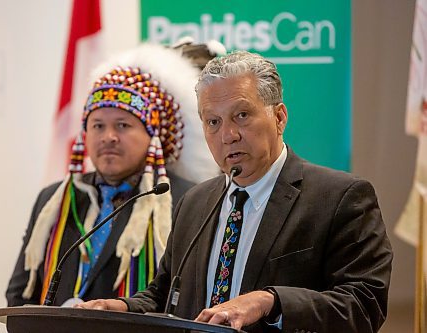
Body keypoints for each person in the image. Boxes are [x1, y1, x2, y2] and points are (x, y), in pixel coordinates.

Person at [75, 51, 393, 333]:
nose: (227, 135)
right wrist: (124, 308)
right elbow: (166, 295)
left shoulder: (340, 197)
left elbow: (365, 306)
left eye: (242, 116)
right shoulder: (195, 203)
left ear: (279, 117)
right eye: (213, 122)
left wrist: (271, 301)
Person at [6, 43, 221, 306]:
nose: (108, 137)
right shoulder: (55, 199)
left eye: (123, 125)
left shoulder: (186, 199)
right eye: (97, 125)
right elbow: (20, 293)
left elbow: (186, 295)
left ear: (153, 135)